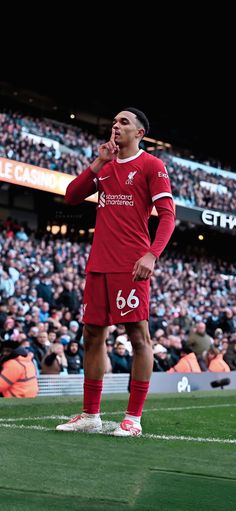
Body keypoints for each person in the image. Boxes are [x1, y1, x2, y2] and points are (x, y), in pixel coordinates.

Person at [56, 107, 175, 436]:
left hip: (131, 264)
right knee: (92, 336)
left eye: (124, 122)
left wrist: (152, 254)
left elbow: (167, 216)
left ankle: (133, 419)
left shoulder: (152, 165)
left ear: (139, 133)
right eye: (114, 122)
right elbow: (70, 197)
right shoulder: (106, 167)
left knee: (138, 337)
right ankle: (90, 415)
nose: (116, 127)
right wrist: (97, 163)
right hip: (98, 264)